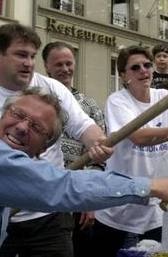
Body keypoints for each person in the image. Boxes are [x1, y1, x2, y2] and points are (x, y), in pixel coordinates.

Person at [0, 87, 168, 257]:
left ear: (43, 149)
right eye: (18, 115)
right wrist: (152, 186)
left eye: (37, 127)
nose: (21, 127)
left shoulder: (2, 175)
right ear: (2, 115)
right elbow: (61, 186)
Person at [0, 23, 113, 256]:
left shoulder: (52, 89)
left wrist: (97, 142)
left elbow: (83, 126)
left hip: (49, 216)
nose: (29, 62)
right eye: (21, 55)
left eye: (32, 56)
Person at [92, 45, 168, 256]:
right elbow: (138, 137)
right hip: (119, 204)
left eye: (147, 65)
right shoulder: (117, 101)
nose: (144, 70)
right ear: (124, 76)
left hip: (156, 206)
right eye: (135, 67)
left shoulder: (165, 96)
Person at [42, 41, 105, 256]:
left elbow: (99, 159)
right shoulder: (34, 103)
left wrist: (91, 200)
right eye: (58, 64)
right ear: (46, 67)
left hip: (78, 194)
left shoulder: (89, 106)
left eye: (69, 63)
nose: (65, 69)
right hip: (42, 193)